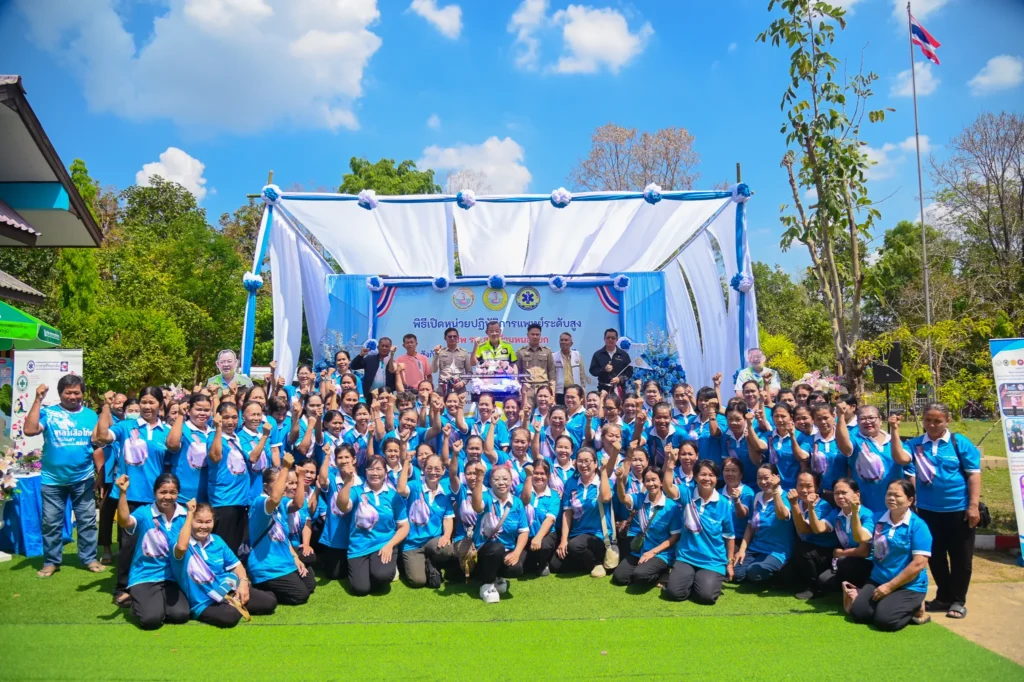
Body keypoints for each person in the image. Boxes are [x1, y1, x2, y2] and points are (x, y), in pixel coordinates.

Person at [21, 376, 104, 578]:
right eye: (68, 392)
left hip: (83, 479)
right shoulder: (48, 413)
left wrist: (101, 474)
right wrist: (38, 399)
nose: (73, 396)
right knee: (51, 523)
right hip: (53, 481)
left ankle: (89, 558)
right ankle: (51, 561)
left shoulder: (91, 415)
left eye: (77, 392)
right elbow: (29, 430)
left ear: (82, 394)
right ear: (60, 394)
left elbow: (97, 447)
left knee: (87, 521)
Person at [905, 403, 982, 620]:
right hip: (927, 512)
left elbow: (974, 475)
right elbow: (908, 471)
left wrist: (973, 506)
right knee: (935, 556)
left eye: (938, 421)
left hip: (959, 511)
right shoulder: (914, 445)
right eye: (928, 420)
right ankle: (944, 596)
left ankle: (958, 600)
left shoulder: (960, 443)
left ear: (947, 421)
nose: (932, 425)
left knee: (961, 558)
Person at [95, 386, 170, 604]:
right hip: (129, 496)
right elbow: (102, 436)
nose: (147, 406)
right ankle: (122, 588)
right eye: (144, 402)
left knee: (155, 543)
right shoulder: (125, 426)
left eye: (152, 402)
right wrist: (106, 407)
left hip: (157, 498)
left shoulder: (167, 431)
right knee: (128, 545)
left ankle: (154, 584)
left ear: (160, 405)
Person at [172, 499, 278, 627]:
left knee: (270, 603)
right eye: (199, 521)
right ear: (190, 522)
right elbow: (181, 548)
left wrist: (243, 583)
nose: (204, 526)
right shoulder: (182, 543)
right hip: (204, 601)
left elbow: (237, 565)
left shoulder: (217, 540)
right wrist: (189, 513)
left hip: (227, 589)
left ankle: (234, 601)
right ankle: (230, 605)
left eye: (208, 522)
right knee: (230, 617)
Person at [847, 480, 932, 631]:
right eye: (889, 494)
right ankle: (889, 603)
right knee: (859, 614)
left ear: (910, 500)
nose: (891, 498)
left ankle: (916, 607)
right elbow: (860, 537)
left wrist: (889, 587)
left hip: (908, 585)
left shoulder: (919, 526)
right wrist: (854, 512)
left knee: (885, 621)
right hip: (878, 580)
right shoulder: (877, 518)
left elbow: (919, 563)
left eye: (897, 495)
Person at [114, 473, 189, 630]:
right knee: (151, 620)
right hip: (145, 575)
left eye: (173, 492)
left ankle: (152, 604)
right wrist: (123, 493)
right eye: (163, 492)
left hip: (172, 577)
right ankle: (138, 604)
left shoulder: (185, 515)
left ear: (178, 493)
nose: (167, 496)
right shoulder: (144, 512)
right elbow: (124, 521)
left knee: (180, 615)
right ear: (154, 492)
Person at [336, 455, 410, 596]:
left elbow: (404, 526)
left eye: (379, 469)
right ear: (365, 471)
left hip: (383, 545)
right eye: (371, 469)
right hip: (359, 546)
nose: (375, 473)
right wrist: (346, 483)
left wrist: (390, 545)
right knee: (360, 589)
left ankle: (388, 568)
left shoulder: (393, 495)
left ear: (385, 472)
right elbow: (342, 507)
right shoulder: (356, 491)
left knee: (382, 576)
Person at [665, 460, 736, 603]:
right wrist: (670, 465)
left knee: (706, 597)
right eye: (703, 474)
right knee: (674, 593)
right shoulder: (687, 493)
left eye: (711, 475)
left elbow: (729, 536)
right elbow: (667, 487)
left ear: (716, 478)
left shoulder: (724, 503)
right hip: (687, 556)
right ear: (696, 476)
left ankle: (701, 580)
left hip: (713, 560)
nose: (707, 478)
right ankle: (689, 579)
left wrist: (729, 563)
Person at [248, 456, 315, 605]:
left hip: (284, 560)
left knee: (310, 584)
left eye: (284, 481)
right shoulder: (260, 503)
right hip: (267, 566)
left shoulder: (282, 504)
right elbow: (274, 499)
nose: (284, 486)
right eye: (278, 482)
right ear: (266, 487)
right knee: (301, 595)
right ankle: (261, 589)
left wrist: (300, 478)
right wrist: (285, 467)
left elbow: (298, 504)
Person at [835, 406, 912, 515]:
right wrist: (841, 416)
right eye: (863, 418)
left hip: (894, 505)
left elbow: (903, 461)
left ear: (880, 420)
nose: (867, 421)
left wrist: (894, 429)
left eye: (871, 418)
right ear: (857, 422)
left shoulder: (893, 440)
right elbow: (845, 447)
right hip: (866, 507)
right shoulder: (855, 439)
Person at [612, 463, 680, 587]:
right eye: (647, 480)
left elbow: (675, 537)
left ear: (661, 482)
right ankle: (648, 570)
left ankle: (664, 572)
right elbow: (623, 498)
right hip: (641, 550)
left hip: (661, 553)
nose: (650, 483)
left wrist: (653, 552)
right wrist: (620, 480)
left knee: (640, 575)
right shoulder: (640, 499)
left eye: (654, 480)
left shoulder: (671, 506)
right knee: (619, 577)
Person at [470, 464, 530, 603]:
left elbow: (523, 531)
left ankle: (496, 576)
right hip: (484, 550)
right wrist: (479, 478)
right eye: (496, 479)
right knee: (497, 548)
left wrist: (516, 553)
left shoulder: (517, 502)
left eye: (505, 479)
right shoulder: (486, 497)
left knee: (516, 569)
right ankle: (487, 585)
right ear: (490, 482)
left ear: (511, 481)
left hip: (506, 550)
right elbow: (477, 506)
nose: (501, 483)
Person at [550, 448, 613, 577]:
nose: (583, 465)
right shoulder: (571, 483)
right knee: (555, 565)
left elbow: (606, 498)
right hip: (576, 534)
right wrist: (563, 540)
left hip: (598, 535)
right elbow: (567, 513)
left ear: (595, 463)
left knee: (575, 546)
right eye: (580, 461)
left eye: (587, 461)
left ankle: (596, 563)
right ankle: (584, 560)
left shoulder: (603, 481)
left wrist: (604, 471)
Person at [397, 451, 454, 588]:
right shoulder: (415, 486)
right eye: (429, 468)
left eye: (437, 469)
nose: (433, 472)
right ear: (423, 469)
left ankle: (432, 562)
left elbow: (447, 519)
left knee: (447, 550)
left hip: (432, 540)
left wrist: (447, 535)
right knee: (418, 581)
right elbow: (400, 489)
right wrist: (406, 463)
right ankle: (423, 564)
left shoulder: (445, 492)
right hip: (412, 543)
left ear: (443, 470)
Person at [733, 463, 793, 584]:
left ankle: (782, 570)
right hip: (756, 547)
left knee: (754, 572)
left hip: (776, 551)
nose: (763, 482)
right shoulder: (757, 497)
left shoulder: (786, 496)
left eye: (766, 478)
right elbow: (750, 525)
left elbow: (782, 515)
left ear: (776, 478)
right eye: (759, 478)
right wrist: (742, 550)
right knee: (736, 573)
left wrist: (775, 491)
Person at [813, 478, 874, 594]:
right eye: (836, 493)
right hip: (846, 560)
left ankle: (860, 589)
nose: (840, 496)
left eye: (844, 493)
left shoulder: (866, 515)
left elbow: (864, 552)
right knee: (823, 581)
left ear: (857, 494)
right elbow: (818, 529)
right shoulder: (836, 513)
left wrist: (841, 553)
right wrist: (811, 508)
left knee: (844, 563)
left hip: (865, 562)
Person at [787, 471, 839, 599]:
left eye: (809, 486)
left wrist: (794, 505)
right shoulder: (797, 502)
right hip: (807, 547)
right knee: (784, 576)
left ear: (817, 487)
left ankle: (814, 587)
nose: (804, 490)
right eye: (800, 485)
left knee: (802, 550)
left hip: (825, 551)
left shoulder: (822, 505)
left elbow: (804, 530)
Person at [165, 393, 213, 505]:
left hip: (209, 496)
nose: (203, 413)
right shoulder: (183, 429)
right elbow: (172, 445)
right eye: (198, 409)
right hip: (183, 496)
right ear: (189, 410)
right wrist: (180, 415)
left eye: (206, 410)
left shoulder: (213, 432)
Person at [746, 403, 807, 490]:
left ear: (791, 417)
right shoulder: (768, 435)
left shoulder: (800, 437)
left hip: (793, 488)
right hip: (773, 487)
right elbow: (760, 446)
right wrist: (749, 426)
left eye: (783, 416)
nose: (779, 419)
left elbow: (803, 463)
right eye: (776, 416)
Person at [520, 459, 561, 576]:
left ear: (548, 475)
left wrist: (538, 537)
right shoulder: (521, 488)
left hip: (546, 534)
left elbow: (550, 519)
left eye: (542, 473)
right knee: (517, 568)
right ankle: (533, 562)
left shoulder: (554, 495)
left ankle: (543, 563)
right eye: (536, 473)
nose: (539, 476)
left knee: (543, 546)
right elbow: (524, 500)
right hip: (525, 535)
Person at [350, 337, 399, 404]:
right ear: (378, 347)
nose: (384, 348)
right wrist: (361, 355)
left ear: (390, 348)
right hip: (370, 396)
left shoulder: (392, 362)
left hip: (386, 396)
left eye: (387, 346)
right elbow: (353, 366)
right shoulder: (370, 359)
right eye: (382, 346)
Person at [517, 323, 556, 397]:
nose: (535, 336)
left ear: (540, 335)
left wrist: (552, 392)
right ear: (528, 335)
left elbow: (552, 373)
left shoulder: (547, 352)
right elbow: (517, 373)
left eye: (537, 334)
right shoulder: (521, 352)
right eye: (532, 334)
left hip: (543, 388)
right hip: (527, 389)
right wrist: (519, 390)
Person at [589, 329, 631, 394]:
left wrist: (620, 379)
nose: (610, 340)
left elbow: (629, 372)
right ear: (604, 339)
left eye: (613, 338)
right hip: (603, 390)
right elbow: (593, 371)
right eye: (608, 338)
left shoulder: (624, 355)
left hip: (620, 389)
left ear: (616, 340)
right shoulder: (597, 354)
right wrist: (604, 369)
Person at [432, 327, 472, 395]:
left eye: (454, 336)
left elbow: (469, 372)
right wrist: (436, 355)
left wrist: (463, 382)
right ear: (445, 338)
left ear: (458, 337)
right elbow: (434, 370)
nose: (452, 338)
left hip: (459, 388)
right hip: (443, 387)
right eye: (450, 336)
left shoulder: (464, 353)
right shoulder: (440, 352)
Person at [553, 332, 587, 403]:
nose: (563, 342)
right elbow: (552, 376)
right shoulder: (554, 356)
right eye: (561, 340)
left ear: (571, 343)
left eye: (566, 340)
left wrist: (582, 390)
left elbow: (582, 374)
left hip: (575, 390)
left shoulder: (577, 355)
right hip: (560, 391)